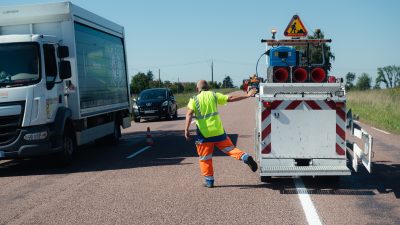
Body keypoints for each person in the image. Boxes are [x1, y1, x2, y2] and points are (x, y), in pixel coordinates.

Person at [184, 80, 258, 188]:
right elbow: (230, 98)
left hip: (204, 134)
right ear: (208, 88)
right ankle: (245, 157)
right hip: (218, 131)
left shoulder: (194, 99)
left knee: (205, 158)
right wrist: (247, 95)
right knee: (231, 149)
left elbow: (189, 114)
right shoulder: (213, 95)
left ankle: (209, 181)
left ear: (197, 89)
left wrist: (186, 129)